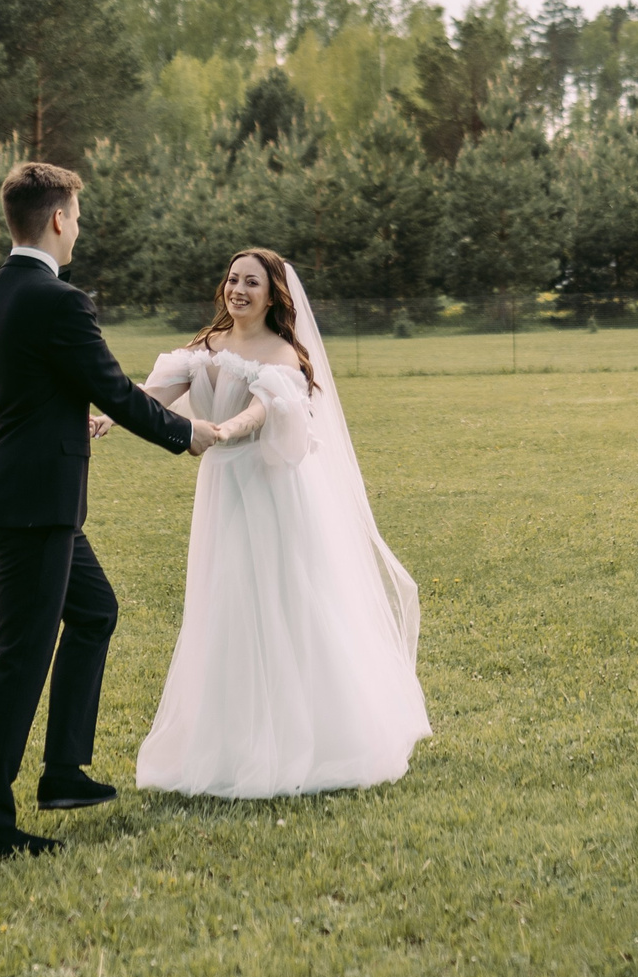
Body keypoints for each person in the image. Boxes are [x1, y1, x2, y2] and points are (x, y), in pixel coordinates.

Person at [0, 161, 230, 857]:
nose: (80, 228)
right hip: (37, 501)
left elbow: (11, 394)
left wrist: (58, 418)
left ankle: (64, 772)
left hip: (11, 487)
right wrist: (184, 432)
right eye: (77, 216)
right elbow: (110, 388)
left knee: (95, 611)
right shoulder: (58, 301)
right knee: (18, 657)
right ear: (56, 219)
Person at [107, 248, 431, 798]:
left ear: (272, 293)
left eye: (250, 282)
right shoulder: (204, 347)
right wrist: (106, 418)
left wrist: (222, 432)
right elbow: (150, 398)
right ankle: (231, 742)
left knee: (283, 600)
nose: (237, 289)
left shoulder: (282, 354)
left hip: (269, 491)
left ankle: (315, 736)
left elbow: (262, 410)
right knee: (225, 602)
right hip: (221, 491)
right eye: (232, 279)